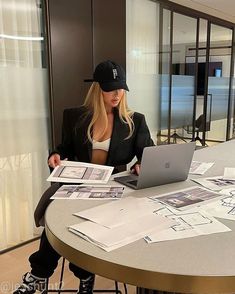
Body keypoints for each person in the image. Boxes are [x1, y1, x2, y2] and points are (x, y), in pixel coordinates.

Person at [13, 60, 154, 294]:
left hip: (114, 189)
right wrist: (55, 155)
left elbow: (148, 153)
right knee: (59, 219)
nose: (117, 93)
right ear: (97, 88)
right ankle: (52, 274)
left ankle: (70, 276)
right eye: (110, 88)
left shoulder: (134, 120)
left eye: (121, 87)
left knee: (83, 222)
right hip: (78, 183)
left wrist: (141, 164)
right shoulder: (75, 117)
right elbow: (63, 148)